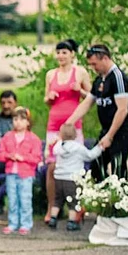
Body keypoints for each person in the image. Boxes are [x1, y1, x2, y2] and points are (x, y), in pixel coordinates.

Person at [64, 44, 128, 180]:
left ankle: (120, 198)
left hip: (121, 132)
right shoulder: (99, 80)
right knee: (96, 167)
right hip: (106, 130)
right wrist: (68, 123)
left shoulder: (117, 77)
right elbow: (87, 103)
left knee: (117, 168)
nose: (93, 68)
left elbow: (122, 109)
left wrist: (110, 136)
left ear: (105, 59)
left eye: (95, 64)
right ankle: (100, 198)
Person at [43, 39, 91, 222]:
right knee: (52, 167)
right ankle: (52, 208)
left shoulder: (80, 72)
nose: (61, 56)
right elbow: (46, 99)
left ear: (72, 54)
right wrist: (50, 97)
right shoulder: (50, 74)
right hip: (54, 125)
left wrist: (81, 91)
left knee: (76, 167)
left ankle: (78, 207)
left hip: (73, 127)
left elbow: (92, 97)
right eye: (58, 52)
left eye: (64, 52)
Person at [48, 123, 103, 231]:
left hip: (59, 178)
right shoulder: (78, 148)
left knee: (57, 200)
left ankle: (53, 218)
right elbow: (90, 155)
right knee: (73, 201)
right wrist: (100, 147)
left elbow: (54, 150)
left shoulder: (58, 146)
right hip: (72, 178)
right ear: (75, 135)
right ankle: (71, 222)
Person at [0, 107, 42, 235]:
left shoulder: (34, 139)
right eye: (15, 119)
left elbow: (37, 158)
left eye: (22, 119)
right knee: (12, 199)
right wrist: (9, 156)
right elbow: (0, 154)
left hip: (26, 174)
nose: (18, 122)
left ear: (28, 122)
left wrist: (23, 158)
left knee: (25, 198)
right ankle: (13, 223)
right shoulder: (7, 137)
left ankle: (26, 224)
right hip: (11, 173)